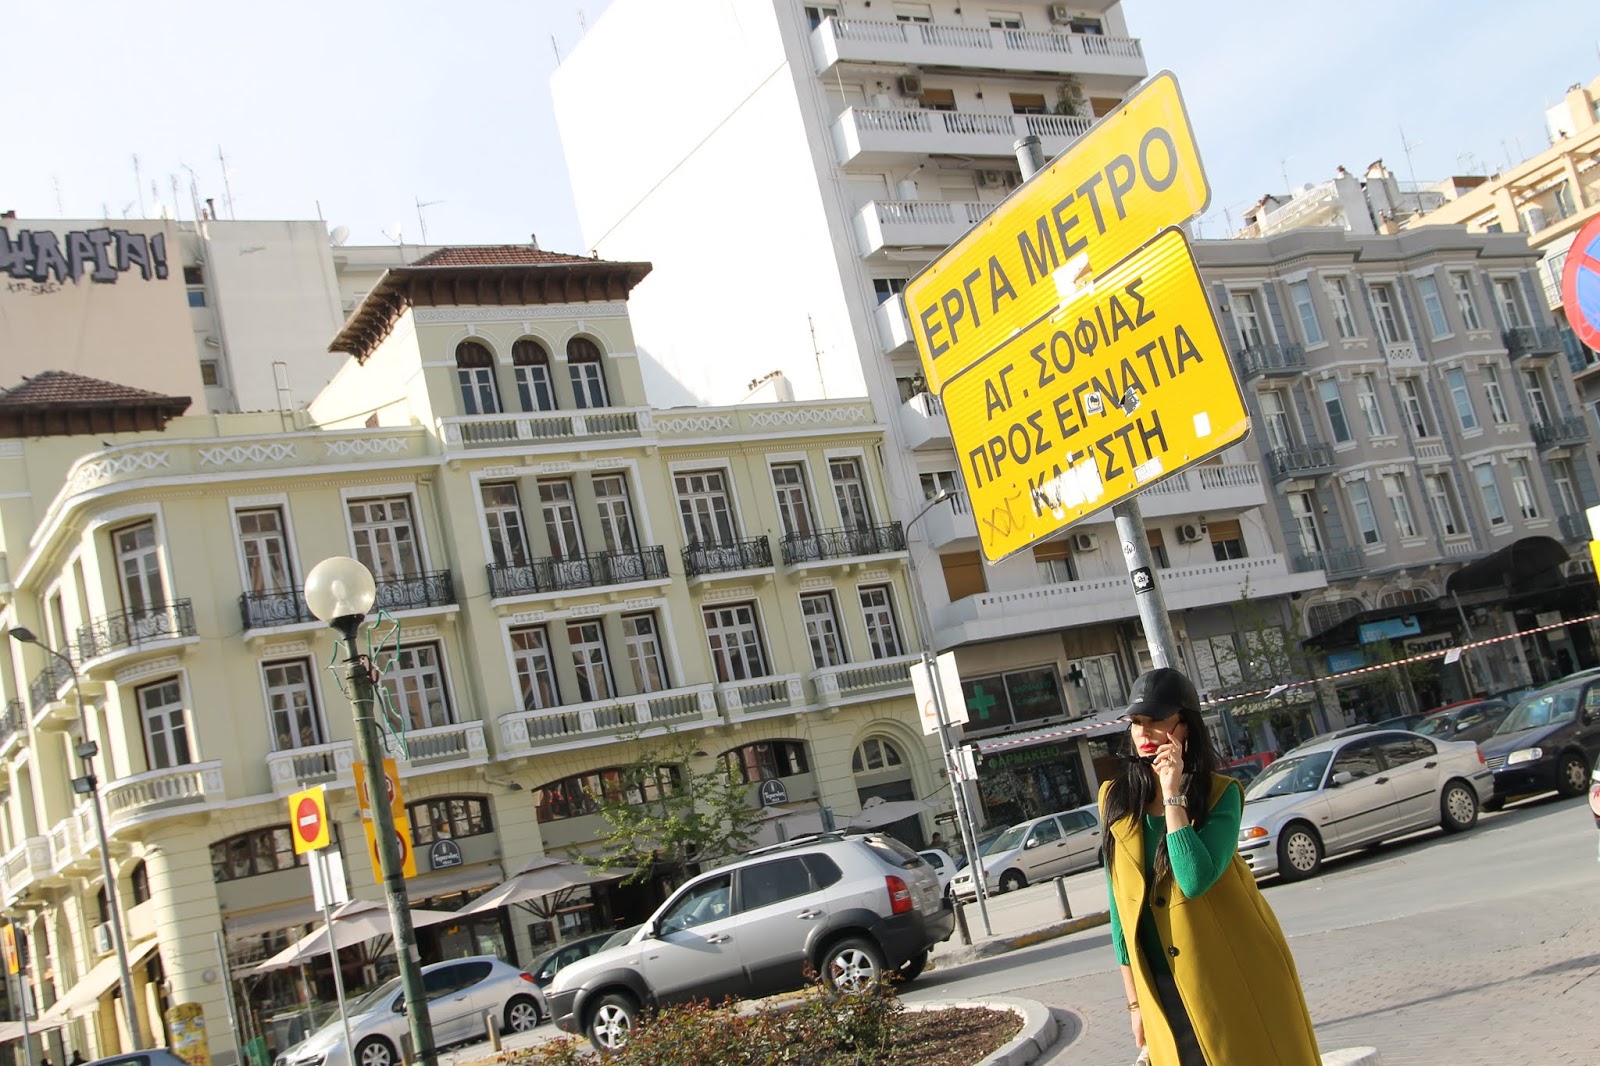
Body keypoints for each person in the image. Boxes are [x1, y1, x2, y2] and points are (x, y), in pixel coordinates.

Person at [1101, 668, 1319, 1065]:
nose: (1145, 734)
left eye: (1157, 722)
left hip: (1231, 977)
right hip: (1158, 988)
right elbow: (1120, 911)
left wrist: (1172, 794)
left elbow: (1194, 879)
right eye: (1137, 723)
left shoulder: (1221, 796)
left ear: (1184, 728)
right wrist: (1135, 1006)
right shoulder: (1115, 801)